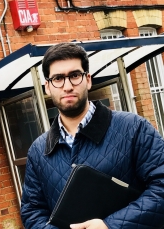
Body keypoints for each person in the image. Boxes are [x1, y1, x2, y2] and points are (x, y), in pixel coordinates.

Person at [20, 42, 164, 229]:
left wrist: (110, 226)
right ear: (47, 87)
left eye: (74, 75)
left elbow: (161, 188)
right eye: (57, 78)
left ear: (88, 79)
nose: (67, 86)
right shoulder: (38, 151)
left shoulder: (134, 128)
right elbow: (32, 212)